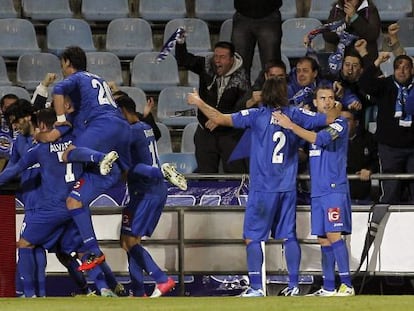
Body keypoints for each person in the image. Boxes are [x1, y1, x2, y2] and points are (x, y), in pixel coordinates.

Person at [187, 78, 340, 297]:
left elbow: (218, 118)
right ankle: (294, 285)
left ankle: (257, 287)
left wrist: (198, 101)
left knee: (253, 236)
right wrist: (337, 102)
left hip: (263, 187)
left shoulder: (257, 115)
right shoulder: (294, 114)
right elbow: (330, 117)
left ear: (265, 94)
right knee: (289, 236)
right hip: (287, 186)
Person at [1, 107, 120, 297]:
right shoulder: (76, 141)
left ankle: (30, 296)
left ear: (41, 125)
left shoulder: (39, 149)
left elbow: (13, 170)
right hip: (76, 206)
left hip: (52, 207)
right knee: (82, 251)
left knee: (25, 244)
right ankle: (104, 289)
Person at [46, 46, 131, 271]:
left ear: (67, 63)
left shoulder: (76, 78)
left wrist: (61, 118)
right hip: (121, 128)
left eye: (62, 64)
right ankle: (93, 251)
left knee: (68, 153)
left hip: (103, 128)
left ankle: (103, 157)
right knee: (75, 201)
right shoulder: (96, 81)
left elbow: (58, 88)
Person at [273, 85, 355, 296]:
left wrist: (290, 125)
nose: (327, 101)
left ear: (335, 102)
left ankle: (347, 285)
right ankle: (328, 287)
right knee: (323, 239)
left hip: (334, 189)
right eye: (322, 98)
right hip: (317, 191)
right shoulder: (312, 126)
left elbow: (320, 140)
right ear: (315, 103)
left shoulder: (340, 124)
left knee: (334, 235)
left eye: (330, 98)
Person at [116, 95, 178, 298]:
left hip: (144, 192)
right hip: (152, 190)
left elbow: (127, 169)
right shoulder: (144, 126)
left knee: (128, 242)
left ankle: (161, 279)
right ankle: (138, 291)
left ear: (123, 111)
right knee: (133, 240)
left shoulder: (129, 133)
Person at [175, 40, 250, 173]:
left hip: (230, 135)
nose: (217, 61)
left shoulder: (242, 78)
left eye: (222, 57)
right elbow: (183, 60)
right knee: (205, 174)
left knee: (235, 174)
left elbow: (241, 108)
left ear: (231, 59)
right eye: (216, 56)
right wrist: (181, 42)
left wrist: (220, 120)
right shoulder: (206, 64)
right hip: (205, 132)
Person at [358, 52, 414, 204]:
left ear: (412, 70)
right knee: (390, 191)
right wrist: (377, 62)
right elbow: (363, 83)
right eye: (398, 67)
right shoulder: (385, 85)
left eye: (406, 67)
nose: (401, 71)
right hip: (389, 148)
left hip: (413, 148)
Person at [231, 0, 282, 82]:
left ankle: (272, 94)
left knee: (272, 68)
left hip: (269, 15)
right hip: (242, 15)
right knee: (239, 68)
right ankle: (242, 94)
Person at [341, 109, 379, 203]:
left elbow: (378, 160)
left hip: (363, 195)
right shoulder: (330, 141)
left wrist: (370, 170)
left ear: (356, 123)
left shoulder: (368, 139)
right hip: (339, 196)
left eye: (347, 120)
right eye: (340, 120)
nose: (343, 124)